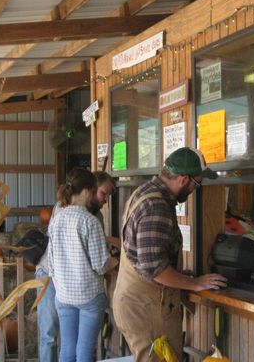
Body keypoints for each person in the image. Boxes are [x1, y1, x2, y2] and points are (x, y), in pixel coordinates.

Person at [113, 147, 228, 361]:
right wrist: (194, 283)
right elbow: (155, 269)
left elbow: (145, 256)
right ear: (184, 179)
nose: (194, 189)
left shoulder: (143, 192)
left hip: (137, 302)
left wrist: (179, 275)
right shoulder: (156, 207)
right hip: (148, 309)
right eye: (197, 184)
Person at [35, 170, 115, 361]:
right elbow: (100, 265)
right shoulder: (90, 221)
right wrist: (118, 261)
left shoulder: (57, 217)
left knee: (67, 349)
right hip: (88, 295)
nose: (104, 199)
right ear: (87, 191)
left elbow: (51, 261)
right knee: (84, 350)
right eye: (98, 192)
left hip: (63, 294)